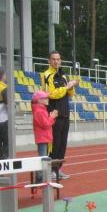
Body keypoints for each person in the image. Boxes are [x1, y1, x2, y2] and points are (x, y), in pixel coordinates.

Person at [42, 50, 78, 181]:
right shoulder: (47, 75)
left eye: (58, 59)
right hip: (54, 115)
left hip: (65, 114)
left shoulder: (63, 75)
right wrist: (66, 87)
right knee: (54, 144)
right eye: (53, 59)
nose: (56, 62)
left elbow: (71, 94)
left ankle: (58, 169)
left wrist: (71, 86)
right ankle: (51, 170)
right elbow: (51, 94)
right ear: (49, 61)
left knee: (63, 144)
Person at [31, 90, 57, 184]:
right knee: (42, 158)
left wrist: (51, 117)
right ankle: (39, 177)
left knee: (43, 157)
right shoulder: (39, 110)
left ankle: (40, 177)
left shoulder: (41, 109)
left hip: (44, 137)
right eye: (45, 98)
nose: (48, 99)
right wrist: (52, 117)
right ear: (39, 100)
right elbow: (45, 124)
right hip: (42, 138)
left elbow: (46, 123)